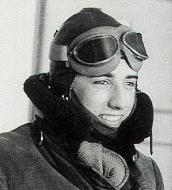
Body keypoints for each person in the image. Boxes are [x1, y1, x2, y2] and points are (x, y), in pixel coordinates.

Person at [0, 8, 164, 190]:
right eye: (102, 82)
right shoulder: (7, 160)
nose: (120, 103)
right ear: (64, 87)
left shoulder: (147, 171)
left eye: (129, 84)